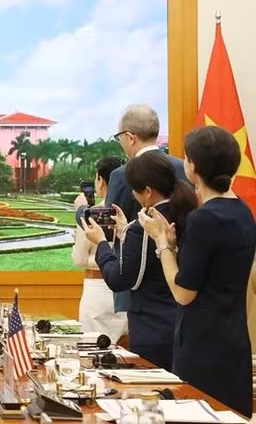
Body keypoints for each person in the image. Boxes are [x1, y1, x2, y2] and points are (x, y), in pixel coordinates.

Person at [140, 126, 256, 417]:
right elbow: (214, 269)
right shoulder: (243, 211)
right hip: (233, 342)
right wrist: (179, 249)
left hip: (202, 346)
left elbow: (183, 293)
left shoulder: (204, 219)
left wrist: (160, 244)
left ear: (193, 166)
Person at [82, 151, 196, 370]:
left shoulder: (143, 227)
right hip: (185, 327)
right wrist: (126, 231)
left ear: (147, 192)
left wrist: (101, 244)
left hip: (153, 329)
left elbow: (121, 279)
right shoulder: (188, 214)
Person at [76, 104, 187, 314]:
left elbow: (107, 222)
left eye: (119, 137)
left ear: (130, 137)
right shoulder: (182, 167)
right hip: (181, 282)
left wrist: (82, 211)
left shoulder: (123, 174)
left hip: (135, 286)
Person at [71, 156, 127, 343]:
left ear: (101, 181)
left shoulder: (90, 213)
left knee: (92, 352)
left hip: (96, 291)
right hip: (127, 292)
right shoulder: (131, 211)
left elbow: (79, 259)